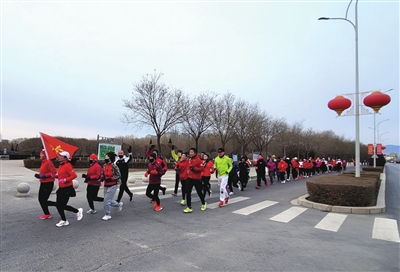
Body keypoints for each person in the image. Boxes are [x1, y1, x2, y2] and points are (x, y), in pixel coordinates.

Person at [54, 151, 83, 227]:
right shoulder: (61, 165)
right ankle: (64, 220)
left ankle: (77, 211)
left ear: (65, 158)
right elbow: (61, 175)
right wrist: (55, 176)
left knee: (61, 205)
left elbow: (74, 175)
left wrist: (65, 180)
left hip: (67, 188)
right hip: (61, 188)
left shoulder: (68, 165)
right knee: (58, 205)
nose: (58, 157)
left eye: (60, 156)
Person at [34, 149, 57, 219]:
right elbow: (45, 172)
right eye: (40, 154)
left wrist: (44, 176)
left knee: (42, 200)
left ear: (46, 155)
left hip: (48, 183)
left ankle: (56, 205)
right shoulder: (43, 162)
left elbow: (54, 172)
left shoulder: (48, 162)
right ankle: (47, 213)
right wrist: (39, 176)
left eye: (42, 154)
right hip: (43, 183)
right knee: (41, 199)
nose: (40, 155)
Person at [101, 152, 123, 220]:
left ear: (110, 158)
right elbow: (103, 173)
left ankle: (107, 214)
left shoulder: (114, 166)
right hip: (106, 185)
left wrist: (111, 178)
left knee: (106, 200)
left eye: (107, 157)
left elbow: (119, 175)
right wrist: (102, 177)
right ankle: (119, 204)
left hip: (113, 185)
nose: (106, 158)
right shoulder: (104, 165)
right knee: (107, 200)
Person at [183, 148, 207, 213]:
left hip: (196, 179)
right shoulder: (189, 159)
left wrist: (195, 169)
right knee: (188, 192)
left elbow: (202, 168)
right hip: (189, 178)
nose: (190, 153)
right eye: (190, 152)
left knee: (199, 192)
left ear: (195, 153)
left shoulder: (198, 160)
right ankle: (189, 207)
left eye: (192, 152)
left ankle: (204, 203)